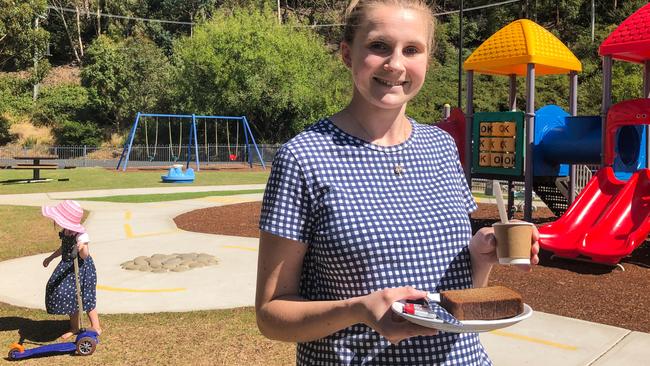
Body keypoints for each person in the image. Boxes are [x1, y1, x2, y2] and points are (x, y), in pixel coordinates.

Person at [255, 0, 540, 364]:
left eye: (411, 49)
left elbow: (457, 297)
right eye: (378, 46)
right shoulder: (304, 157)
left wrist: (479, 257)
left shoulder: (440, 146)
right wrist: (357, 309)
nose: (395, 64)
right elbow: (271, 315)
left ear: (427, 60)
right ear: (347, 54)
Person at [42, 200, 101, 339]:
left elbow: (85, 255)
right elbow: (63, 248)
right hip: (67, 266)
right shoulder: (67, 231)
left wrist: (82, 248)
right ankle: (74, 327)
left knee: (86, 297)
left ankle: (96, 326)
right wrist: (50, 258)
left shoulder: (81, 235)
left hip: (82, 269)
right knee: (68, 296)